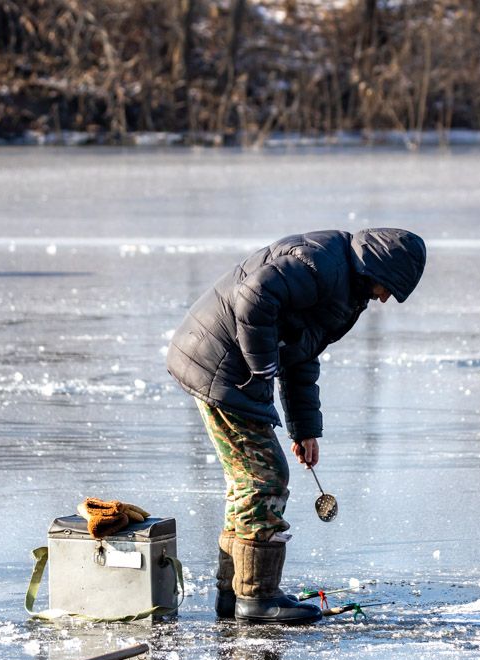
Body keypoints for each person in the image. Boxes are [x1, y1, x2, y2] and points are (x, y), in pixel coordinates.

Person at [167, 228, 426, 625]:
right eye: (388, 287)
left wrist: (304, 428)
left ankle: (234, 593)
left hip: (223, 366)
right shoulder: (322, 265)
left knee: (248, 481)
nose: (385, 298)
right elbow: (254, 295)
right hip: (219, 366)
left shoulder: (346, 285)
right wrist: (263, 368)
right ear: (377, 267)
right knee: (264, 479)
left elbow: (301, 353)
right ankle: (257, 598)